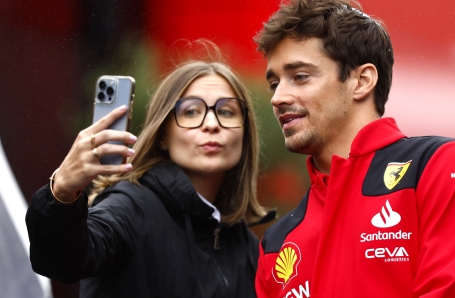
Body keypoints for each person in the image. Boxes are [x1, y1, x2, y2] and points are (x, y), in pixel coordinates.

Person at [253, 0, 455, 297]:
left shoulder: (441, 167)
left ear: (362, 81)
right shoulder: (276, 244)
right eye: (274, 83)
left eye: (300, 77)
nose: (278, 97)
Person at [25, 44, 273, 297]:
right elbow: (60, 261)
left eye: (225, 111)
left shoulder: (248, 246)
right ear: (163, 135)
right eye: (190, 111)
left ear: (245, 134)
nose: (211, 124)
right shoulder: (130, 207)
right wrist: (62, 190)